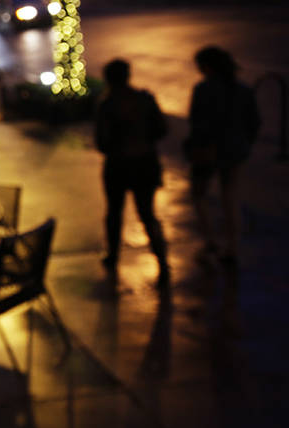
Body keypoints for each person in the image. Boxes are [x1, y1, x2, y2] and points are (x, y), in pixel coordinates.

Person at [94, 58, 170, 287]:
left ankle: (113, 255)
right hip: (145, 162)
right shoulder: (145, 99)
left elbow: (102, 142)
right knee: (148, 213)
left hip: (118, 165)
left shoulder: (107, 105)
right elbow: (161, 129)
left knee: (114, 213)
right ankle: (162, 262)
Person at [184, 46, 259, 265]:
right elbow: (254, 122)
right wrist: (245, 142)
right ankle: (232, 247)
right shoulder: (243, 90)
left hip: (208, 149)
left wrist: (194, 146)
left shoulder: (203, 89)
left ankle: (210, 241)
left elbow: (196, 122)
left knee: (199, 195)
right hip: (235, 149)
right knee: (230, 197)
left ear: (207, 66)